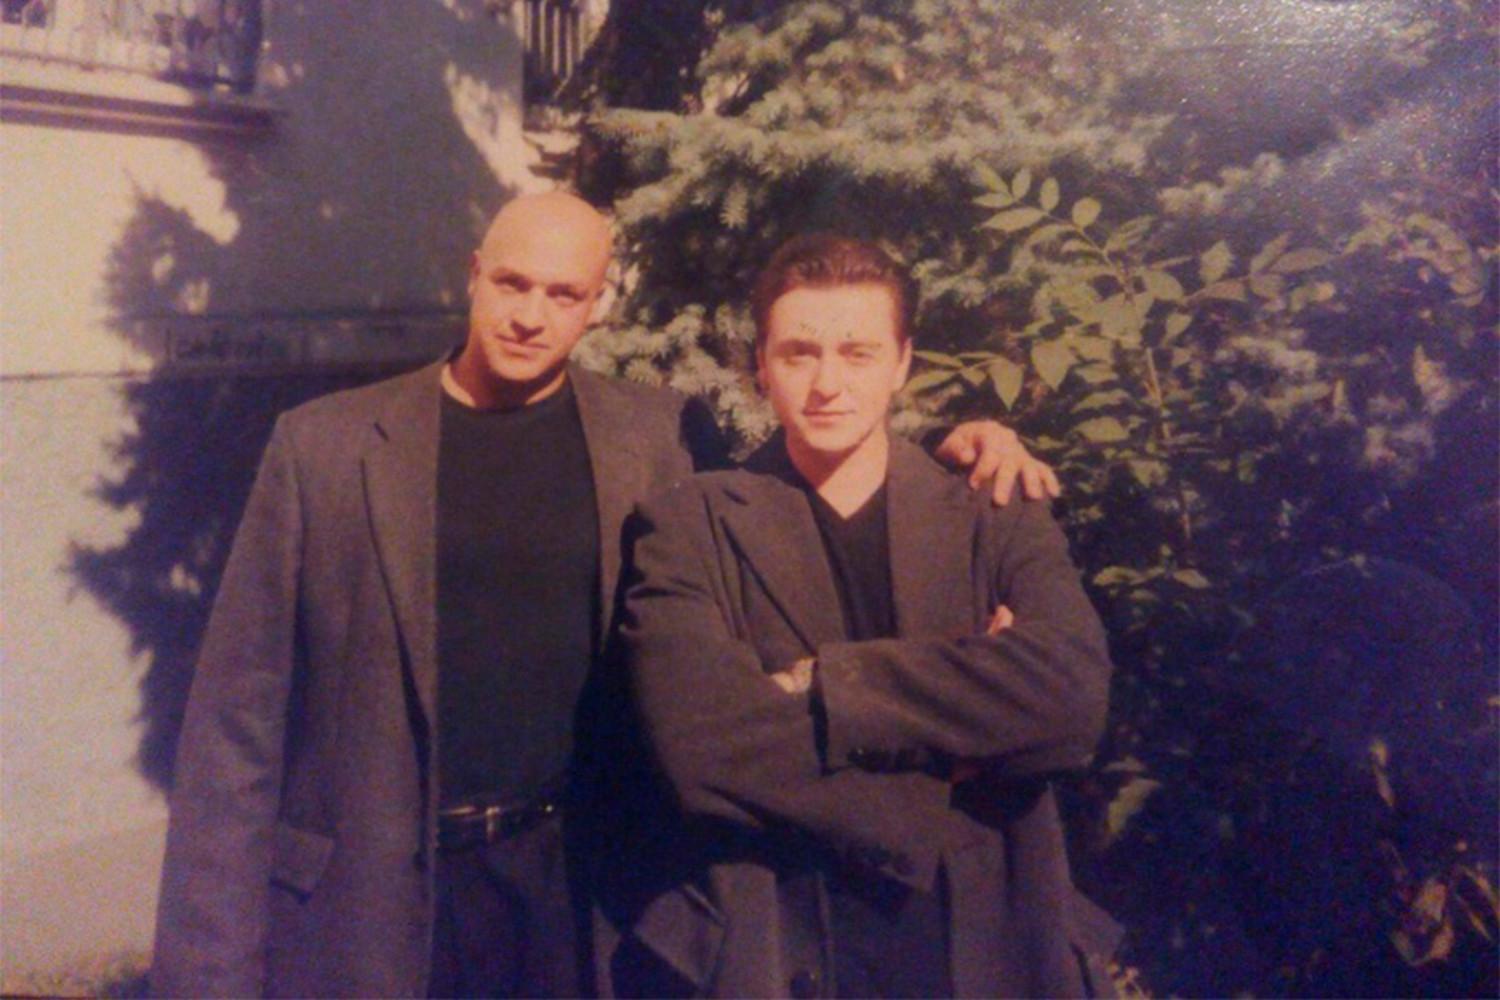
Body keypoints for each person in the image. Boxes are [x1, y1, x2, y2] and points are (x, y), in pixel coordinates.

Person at [149, 193, 1058, 998]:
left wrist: (956, 446)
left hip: (585, 886)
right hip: (379, 890)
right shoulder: (325, 447)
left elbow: (802, 461)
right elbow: (236, 724)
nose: (530, 316)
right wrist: (204, 975)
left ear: (597, 304)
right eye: (512, 284)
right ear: (474, 273)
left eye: (564, 294)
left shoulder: (657, 433)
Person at [611, 234, 1120, 998]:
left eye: (857, 353)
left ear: (901, 362)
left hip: (985, 940)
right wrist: (949, 758)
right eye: (799, 353)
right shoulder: (691, 525)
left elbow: (1071, 696)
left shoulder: (992, 506)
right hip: (783, 941)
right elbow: (700, 743)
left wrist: (829, 683)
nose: (827, 384)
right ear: (761, 365)